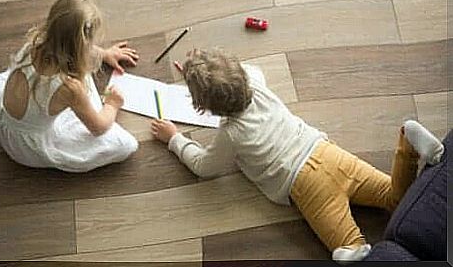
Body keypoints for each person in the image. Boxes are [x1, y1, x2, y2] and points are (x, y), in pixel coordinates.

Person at [150, 48, 445, 263]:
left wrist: (174, 139)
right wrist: (202, 69)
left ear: (204, 106)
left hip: (305, 184)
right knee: (395, 198)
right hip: (329, 154)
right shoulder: (254, 80)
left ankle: (357, 253)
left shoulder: (231, 134)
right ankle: (407, 142)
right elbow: (239, 71)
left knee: (346, 243)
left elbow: (204, 166)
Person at [0, 0, 140, 172]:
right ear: (82, 44)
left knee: (11, 79)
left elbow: (70, 45)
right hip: (25, 146)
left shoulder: (34, 45)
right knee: (126, 144)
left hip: (1, 118)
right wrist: (112, 105)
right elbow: (98, 128)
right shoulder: (70, 88)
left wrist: (104, 54)